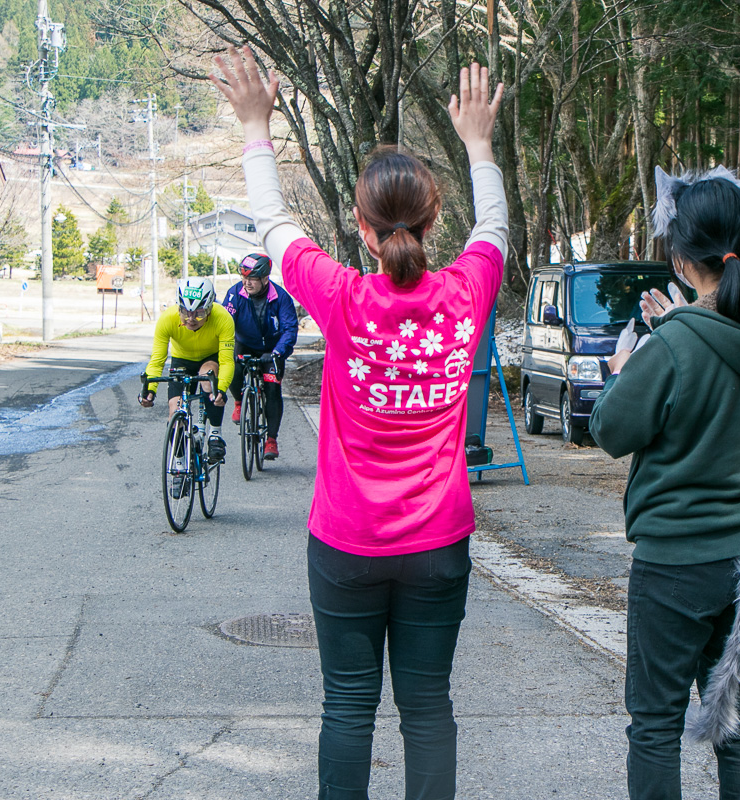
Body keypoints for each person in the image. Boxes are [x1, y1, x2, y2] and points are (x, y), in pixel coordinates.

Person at [211, 47, 506, 800]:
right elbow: (496, 226)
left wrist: (256, 124)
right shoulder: (468, 291)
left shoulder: (339, 296)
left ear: (362, 227)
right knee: (428, 710)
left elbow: (273, 219)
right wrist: (478, 143)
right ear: (434, 220)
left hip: (345, 543)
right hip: (439, 543)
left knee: (347, 707)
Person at [589, 163, 740, 800]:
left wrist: (624, 367)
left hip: (678, 561)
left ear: (682, 259)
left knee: (656, 722)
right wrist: (678, 331)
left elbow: (610, 429)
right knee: (734, 717)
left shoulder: (674, 344)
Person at [140, 276, 235, 470]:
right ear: (179, 307)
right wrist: (150, 389)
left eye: (199, 313)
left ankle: (215, 434)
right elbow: (157, 359)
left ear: (209, 308)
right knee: (174, 411)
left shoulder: (223, 317)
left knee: (208, 379)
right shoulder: (168, 319)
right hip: (181, 360)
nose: (191, 319)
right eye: (185, 312)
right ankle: (179, 465)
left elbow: (226, 361)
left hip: (210, 357)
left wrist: (222, 389)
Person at [223, 252, 299, 460]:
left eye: (252, 279)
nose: (246, 283)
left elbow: (289, 330)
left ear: (265, 278)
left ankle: (271, 439)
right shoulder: (235, 293)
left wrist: (277, 353)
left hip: (272, 349)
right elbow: (224, 323)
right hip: (244, 344)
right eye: (244, 278)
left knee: (272, 387)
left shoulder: (281, 298)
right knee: (231, 365)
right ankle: (239, 401)